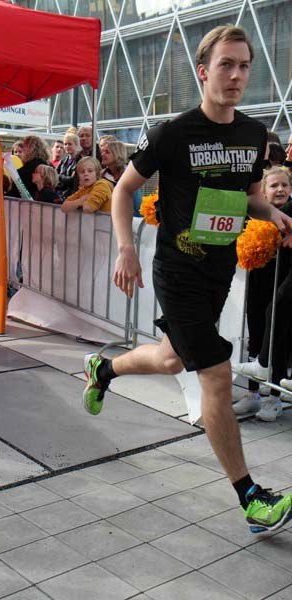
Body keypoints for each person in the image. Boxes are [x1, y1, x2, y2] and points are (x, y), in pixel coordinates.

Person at [82, 25, 292, 533]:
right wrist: (126, 249)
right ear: (203, 71)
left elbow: (249, 196)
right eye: (226, 65)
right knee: (215, 375)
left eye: (244, 66)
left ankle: (102, 370)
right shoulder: (172, 134)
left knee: (170, 357)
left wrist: (274, 213)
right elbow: (122, 190)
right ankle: (251, 499)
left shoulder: (253, 134)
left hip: (218, 271)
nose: (237, 75)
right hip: (177, 271)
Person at [233, 166, 292, 420]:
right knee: (255, 338)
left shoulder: (290, 213)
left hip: (281, 285)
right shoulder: (255, 214)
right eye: (274, 185)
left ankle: (275, 398)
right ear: (263, 191)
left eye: (285, 185)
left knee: (278, 341)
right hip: (258, 284)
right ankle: (253, 394)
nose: (280, 189)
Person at [100, 138, 142, 217]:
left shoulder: (130, 175)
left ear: (117, 154)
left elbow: (138, 206)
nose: (102, 154)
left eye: (107, 152)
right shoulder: (101, 175)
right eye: (102, 151)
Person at [56, 133, 80, 199]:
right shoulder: (62, 161)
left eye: (70, 144)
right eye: (65, 144)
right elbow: (54, 176)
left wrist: (60, 176)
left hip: (71, 195)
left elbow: (72, 180)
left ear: (76, 145)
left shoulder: (79, 161)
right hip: (60, 193)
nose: (67, 146)